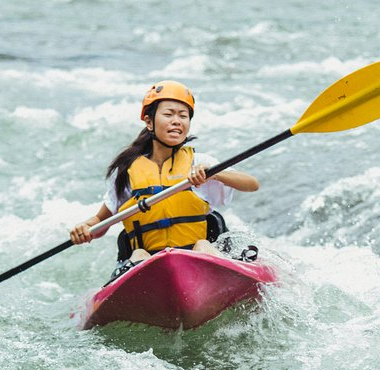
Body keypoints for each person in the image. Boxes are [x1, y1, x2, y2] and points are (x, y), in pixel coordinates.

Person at [70, 80, 259, 267]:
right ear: (149, 122)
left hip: (197, 258)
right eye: (168, 114)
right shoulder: (127, 171)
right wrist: (85, 228)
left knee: (202, 244)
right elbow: (101, 223)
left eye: (183, 116)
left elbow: (251, 184)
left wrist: (215, 174)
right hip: (150, 264)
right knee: (138, 253)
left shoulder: (199, 163)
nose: (177, 121)